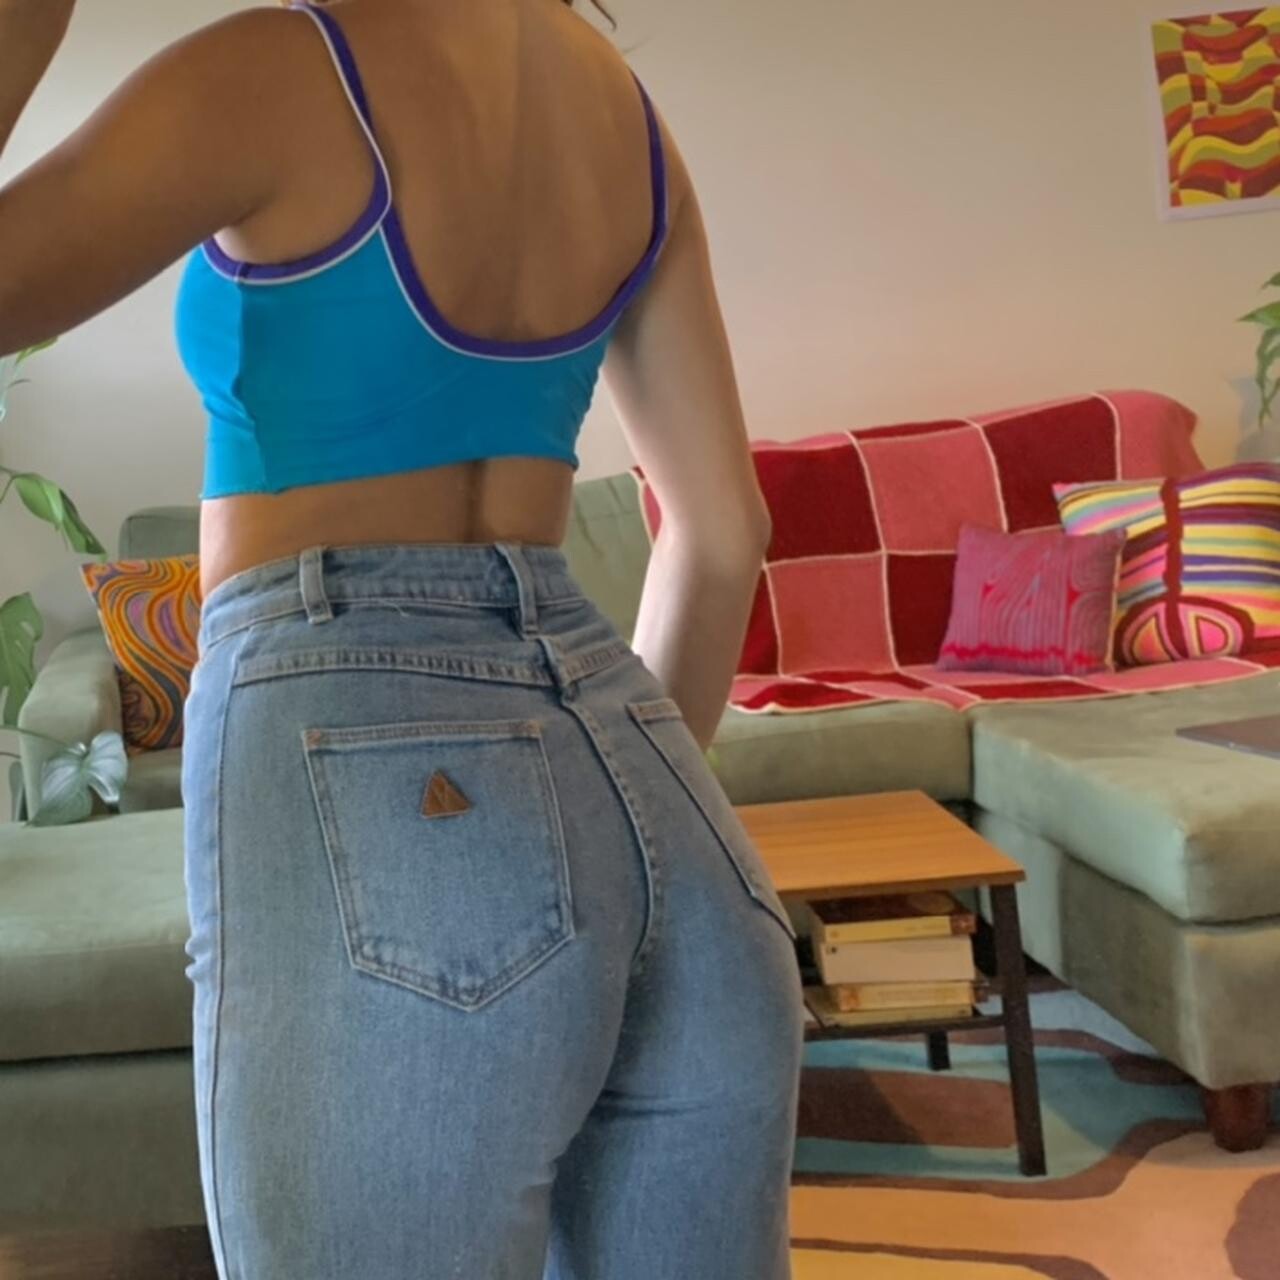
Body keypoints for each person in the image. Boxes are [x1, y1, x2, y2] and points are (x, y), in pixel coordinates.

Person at [0, 1, 806, 1275]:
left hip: (350, 714)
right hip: (660, 803)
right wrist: (590, 843)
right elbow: (721, 532)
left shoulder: (276, 67)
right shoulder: (621, 113)